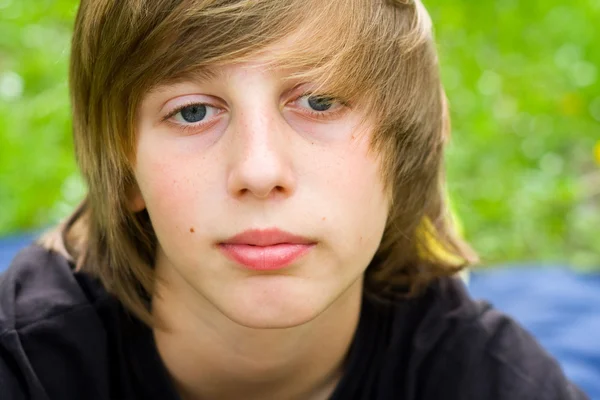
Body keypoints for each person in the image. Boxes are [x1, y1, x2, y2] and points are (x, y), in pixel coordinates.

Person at [0, 0, 589, 399]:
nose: (259, 170)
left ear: (403, 148)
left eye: (321, 102)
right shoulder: (26, 366)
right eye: (193, 111)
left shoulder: (486, 379)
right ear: (126, 170)